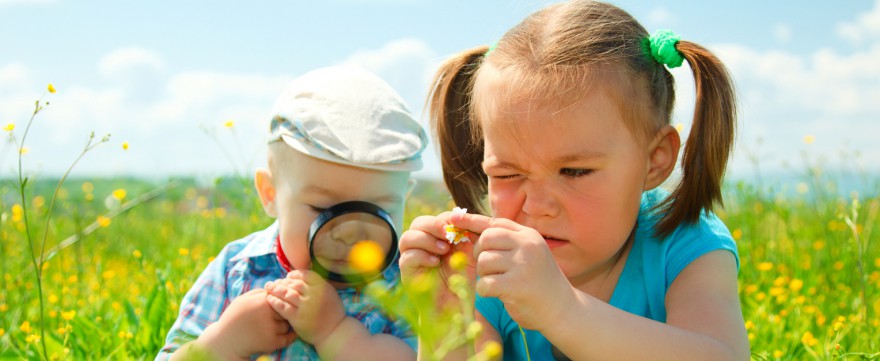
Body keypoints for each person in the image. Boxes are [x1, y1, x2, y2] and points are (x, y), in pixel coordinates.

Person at [398, 1, 750, 360]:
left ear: (654, 160)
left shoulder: (684, 244)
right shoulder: (488, 265)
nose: (536, 207)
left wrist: (562, 310)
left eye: (575, 172)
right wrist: (444, 316)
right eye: (507, 174)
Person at [158, 65, 428, 360]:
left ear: (405, 197)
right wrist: (226, 341)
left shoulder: (408, 283)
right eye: (323, 209)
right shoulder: (237, 269)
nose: (350, 232)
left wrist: (335, 332)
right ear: (270, 193)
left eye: (378, 209)